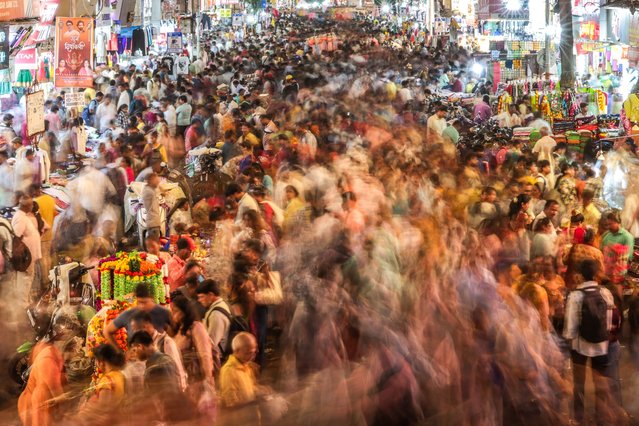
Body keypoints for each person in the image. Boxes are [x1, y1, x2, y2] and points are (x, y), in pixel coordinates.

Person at [563, 260, 615, 425]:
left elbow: (570, 328)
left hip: (580, 348)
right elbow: (608, 321)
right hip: (601, 345)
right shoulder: (606, 293)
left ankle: (580, 419)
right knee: (600, 384)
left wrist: (568, 341)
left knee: (579, 386)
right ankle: (601, 419)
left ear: (580, 275)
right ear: (596, 274)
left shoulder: (575, 295)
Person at [128, 331, 194, 424]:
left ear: (140, 346)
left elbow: (161, 399)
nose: (134, 355)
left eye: (134, 350)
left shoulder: (155, 367)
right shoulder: (166, 359)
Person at [130, 310, 188, 391]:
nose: (140, 331)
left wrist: (181, 391)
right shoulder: (144, 343)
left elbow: (177, 370)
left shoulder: (166, 341)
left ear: (151, 324)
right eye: (136, 329)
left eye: (143, 327)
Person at [72, 344, 126, 425]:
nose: (96, 364)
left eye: (96, 360)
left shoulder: (107, 380)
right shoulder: (120, 374)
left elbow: (102, 409)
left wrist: (82, 413)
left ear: (101, 361)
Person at [104, 282, 172, 345]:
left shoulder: (164, 313)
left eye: (145, 302)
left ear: (152, 299)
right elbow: (107, 331)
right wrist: (119, 352)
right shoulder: (129, 314)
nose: (142, 306)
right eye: (139, 302)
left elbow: (175, 334)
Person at [17, 341, 65, 426]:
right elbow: (57, 392)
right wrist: (64, 404)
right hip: (40, 401)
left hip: (39, 399)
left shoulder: (46, 349)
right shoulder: (47, 360)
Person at [218, 332, 262, 423]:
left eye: (253, 353)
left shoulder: (245, 365)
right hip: (240, 420)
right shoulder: (229, 371)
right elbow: (230, 402)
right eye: (248, 353)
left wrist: (260, 391)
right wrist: (253, 402)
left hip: (250, 418)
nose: (251, 357)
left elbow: (249, 387)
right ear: (236, 351)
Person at [12, 192, 42, 305]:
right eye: (31, 205)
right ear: (27, 206)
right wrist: (22, 258)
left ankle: (25, 303)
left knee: (27, 281)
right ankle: (23, 306)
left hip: (29, 258)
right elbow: (16, 236)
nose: (32, 206)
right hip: (25, 259)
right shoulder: (20, 218)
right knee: (24, 281)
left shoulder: (23, 216)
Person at [197, 279, 232, 355]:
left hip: (216, 357)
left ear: (210, 295)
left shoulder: (216, 315)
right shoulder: (218, 306)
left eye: (202, 297)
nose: (199, 300)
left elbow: (211, 343)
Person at [600, 211, 635, 283]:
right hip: (604, 272)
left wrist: (614, 250)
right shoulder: (607, 234)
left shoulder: (627, 237)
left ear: (618, 222)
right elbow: (601, 251)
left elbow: (628, 257)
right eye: (607, 224)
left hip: (617, 274)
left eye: (610, 224)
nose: (608, 227)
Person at [141, 172, 162, 242]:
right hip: (153, 222)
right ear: (150, 180)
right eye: (156, 180)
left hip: (154, 222)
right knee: (154, 245)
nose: (158, 182)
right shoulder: (148, 191)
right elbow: (159, 189)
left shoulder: (150, 190)